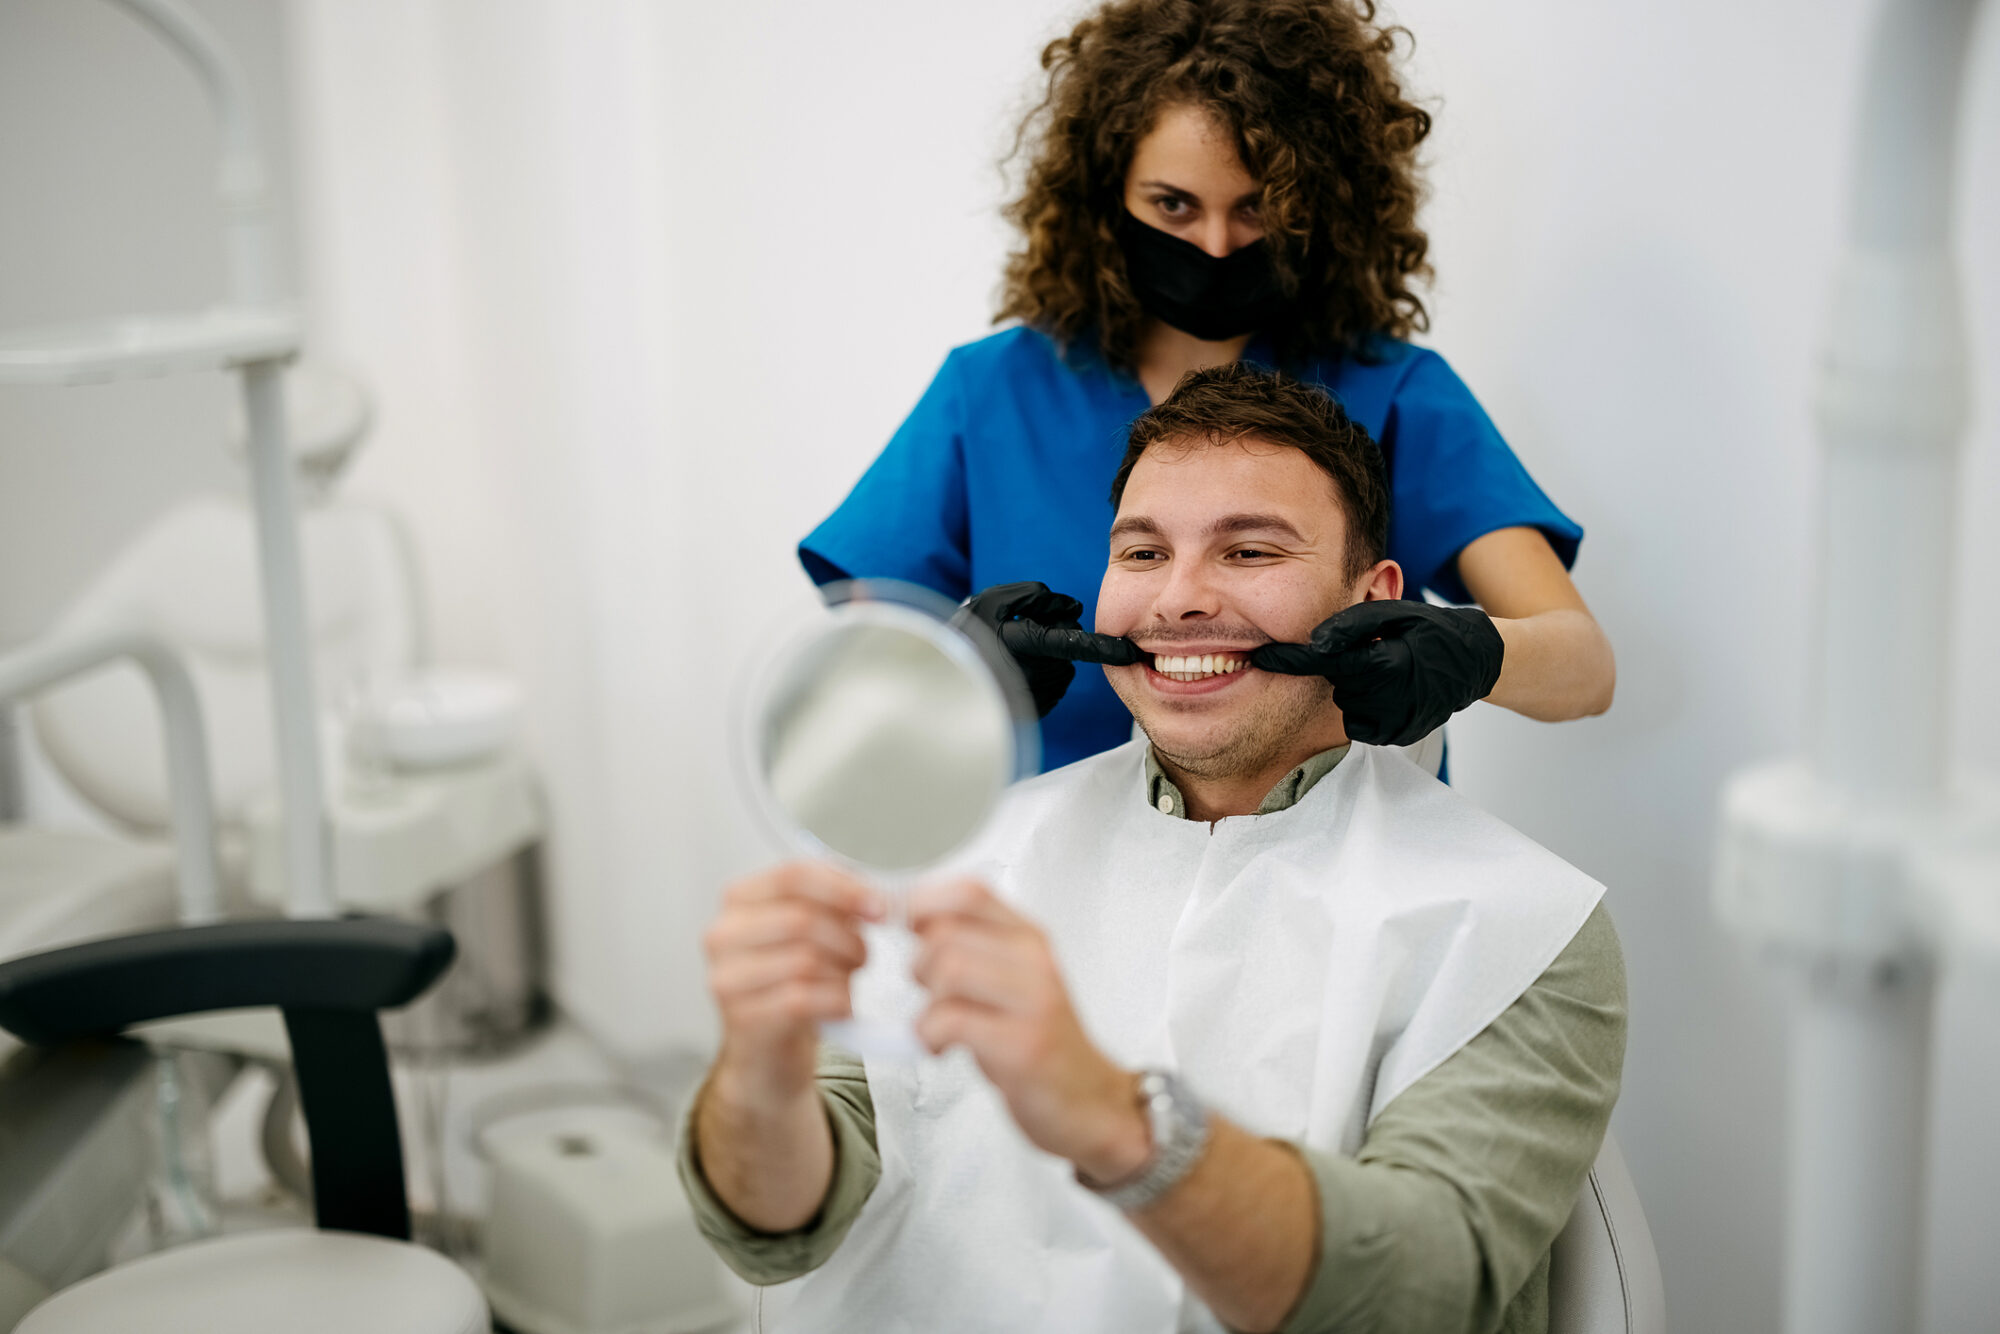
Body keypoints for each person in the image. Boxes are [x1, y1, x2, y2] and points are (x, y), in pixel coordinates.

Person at [685, 366, 1625, 1333]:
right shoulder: (962, 869)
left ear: (1375, 598)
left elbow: (1419, 1290)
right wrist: (761, 1070)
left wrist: (1115, 1120)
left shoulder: (1519, 924)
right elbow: (774, 1229)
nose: (1178, 600)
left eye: (1250, 550)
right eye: (1141, 553)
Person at [800, 0, 1615, 774]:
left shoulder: (1393, 392)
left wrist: (1469, 651)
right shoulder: (991, 394)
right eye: (1175, 205)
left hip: (1338, 888)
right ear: (1107, 192)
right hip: (1054, 885)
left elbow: (1583, 669)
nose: (1218, 244)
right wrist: (957, 664)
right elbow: (857, 690)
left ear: (1318, 209)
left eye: (1257, 209)